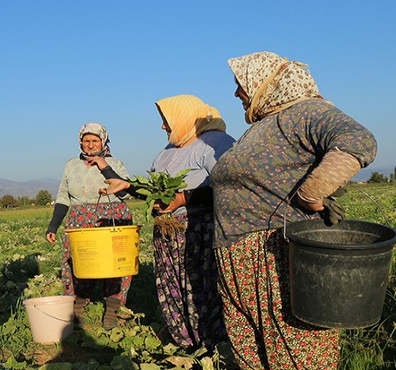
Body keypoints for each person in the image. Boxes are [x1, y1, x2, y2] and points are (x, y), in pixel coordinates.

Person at [210, 51, 378, 369]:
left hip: (277, 259)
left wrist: (312, 193)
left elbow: (358, 139)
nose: (236, 93)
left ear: (263, 83)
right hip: (237, 261)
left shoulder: (303, 112)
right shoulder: (260, 127)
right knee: (250, 355)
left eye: (240, 85)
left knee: (296, 353)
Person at [100, 94, 234, 350]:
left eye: (167, 120)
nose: (163, 126)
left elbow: (229, 186)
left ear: (184, 118)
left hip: (198, 232)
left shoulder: (216, 143)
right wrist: (128, 185)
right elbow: (155, 192)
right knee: (173, 285)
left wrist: (183, 199)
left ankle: (214, 345)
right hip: (167, 234)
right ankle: (186, 341)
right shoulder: (168, 151)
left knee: (201, 287)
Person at [45, 123, 133, 330]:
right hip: (79, 219)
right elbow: (63, 197)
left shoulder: (115, 164)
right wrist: (53, 226)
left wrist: (104, 165)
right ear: (80, 143)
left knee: (114, 264)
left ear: (103, 142)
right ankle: (78, 305)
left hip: (111, 217)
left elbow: (125, 192)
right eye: (87, 141)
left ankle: (112, 306)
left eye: (95, 140)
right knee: (78, 262)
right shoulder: (71, 165)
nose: (91, 145)